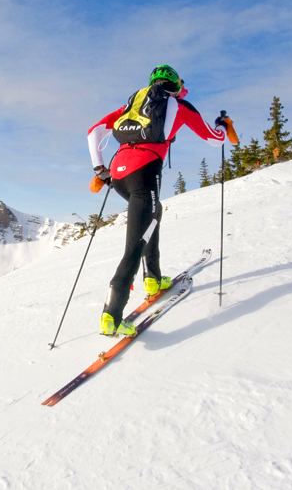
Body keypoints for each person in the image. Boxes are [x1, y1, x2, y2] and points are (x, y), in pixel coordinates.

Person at [86, 65, 238, 336]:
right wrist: (222, 125)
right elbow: (215, 140)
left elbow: (93, 131)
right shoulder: (179, 106)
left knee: (154, 214)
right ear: (176, 86)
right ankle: (111, 316)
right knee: (135, 245)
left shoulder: (132, 104)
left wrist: (100, 170)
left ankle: (153, 280)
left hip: (119, 173)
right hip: (143, 174)